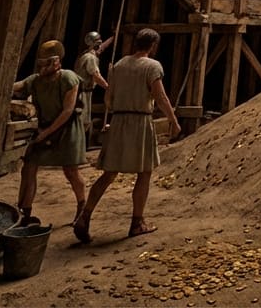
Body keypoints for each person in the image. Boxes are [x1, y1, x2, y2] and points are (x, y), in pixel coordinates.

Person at [73, 28, 181, 243]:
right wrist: (173, 121)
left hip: (119, 120)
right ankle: (137, 222)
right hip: (140, 121)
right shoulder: (152, 66)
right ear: (153, 46)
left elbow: (108, 98)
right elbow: (161, 97)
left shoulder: (119, 65)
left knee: (109, 173)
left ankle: (84, 216)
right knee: (144, 172)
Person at [13, 39, 87, 227]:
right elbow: (17, 86)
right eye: (40, 63)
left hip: (66, 129)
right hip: (43, 128)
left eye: (46, 63)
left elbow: (67, 111)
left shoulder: (68, 78)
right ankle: (25, 213)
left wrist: (45, 133)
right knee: (29, 167)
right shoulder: (36, 80)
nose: (42, 68)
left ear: (56, 62)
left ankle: (82, 208)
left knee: (70, 171)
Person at [74, 31, 112, 148]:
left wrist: (113, 36)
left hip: (83, 92)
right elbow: (96, 75)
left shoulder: (85, 54)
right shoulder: (90, 58)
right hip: (83, 93)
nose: (101, 45)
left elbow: (102, 48)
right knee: (82, 122)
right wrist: (108, 87)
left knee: (83, 122)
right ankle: (77, 149)